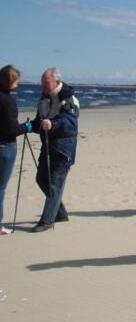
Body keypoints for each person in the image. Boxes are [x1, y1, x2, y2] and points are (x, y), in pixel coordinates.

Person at [30, 68, 79, 232]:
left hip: (63, 148)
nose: (43, 85)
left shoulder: (69, 98)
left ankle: (47, 220)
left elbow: (70, 121)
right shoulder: (44, 97)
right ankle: (60, 213)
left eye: (46, 83)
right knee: (41, 179)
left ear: (57, 82)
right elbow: (39, 121)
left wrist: (53, 124)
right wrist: (28, 127)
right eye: (42, 82)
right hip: (47, 145)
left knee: (55, 184)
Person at [0, 65, 33, 235]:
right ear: (11, 82)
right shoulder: (8, 101)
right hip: (5, 146)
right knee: (0, 187)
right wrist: (28, 126)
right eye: (16, 82)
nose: (18, 85)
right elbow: (12, 129)